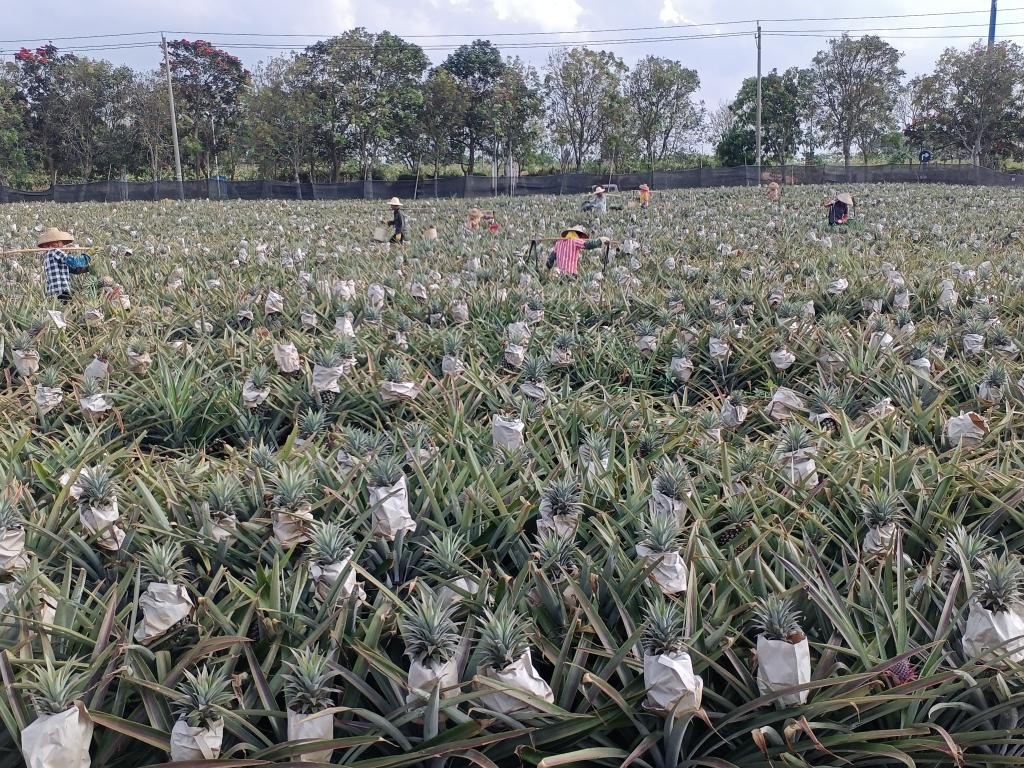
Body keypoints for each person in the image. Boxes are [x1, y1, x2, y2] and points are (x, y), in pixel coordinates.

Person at [38, 227, 90, 304]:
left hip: (53, 293)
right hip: (61, 291)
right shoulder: (55, 251)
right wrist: (88, 256)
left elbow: (72, 269)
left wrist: (88, 268)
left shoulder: (48, 256)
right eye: (61, 242)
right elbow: (74, 262)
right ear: (56, 243)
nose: (62, 245)